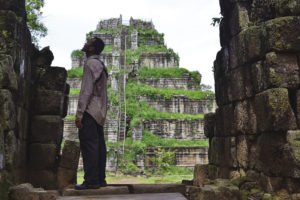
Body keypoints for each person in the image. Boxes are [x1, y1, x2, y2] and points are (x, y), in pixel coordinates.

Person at [75, 37, 108, 190]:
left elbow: (86, 90)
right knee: (99, 145)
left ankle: (91, 181)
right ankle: (100, 179)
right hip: (100, 111)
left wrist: (79, 113)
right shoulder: (101, 64)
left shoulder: (90, 64)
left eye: (88, 42)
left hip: (90, 110)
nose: (85, 42)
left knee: (89, 146)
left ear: (92, 48)